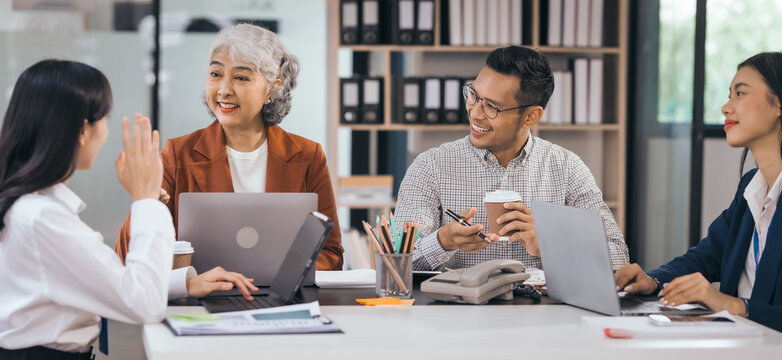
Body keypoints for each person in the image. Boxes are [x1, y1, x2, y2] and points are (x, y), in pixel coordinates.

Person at [614, 52, 782, 358]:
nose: (726, 107)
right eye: (729, 96)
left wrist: (735, 306)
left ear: (781, 104)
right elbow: (706, 257)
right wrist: (652, 281)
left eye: (740, 93)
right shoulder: (752, 187)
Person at [115, 23, 344, 273]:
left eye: (241, 77)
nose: (224, 90)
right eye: (216, 74)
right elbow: (129, 259)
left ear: (272, 88)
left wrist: (283, 275)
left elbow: (330, 254)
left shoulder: (308, 156)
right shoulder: (177, 155)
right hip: (203, 301)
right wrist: (145, 200)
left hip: (281, 301)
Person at [394, 46, 628, 271]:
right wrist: (444, 241)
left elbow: (618, 256)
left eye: (492, 107)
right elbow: (397, 263)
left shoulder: (567, 169)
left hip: (542, 310)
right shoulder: (430, 167)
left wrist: (550, 243)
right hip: (457, 308)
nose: (475, 113)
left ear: (531, 116)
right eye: (473, 95)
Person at [0, 60, 171, 358]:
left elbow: (96, 276)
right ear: (82, 130)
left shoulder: (30, 206)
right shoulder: (41, 216)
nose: (106, 132)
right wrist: (145, 200)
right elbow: (144, 303)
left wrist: (183, 283)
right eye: (104, 119)